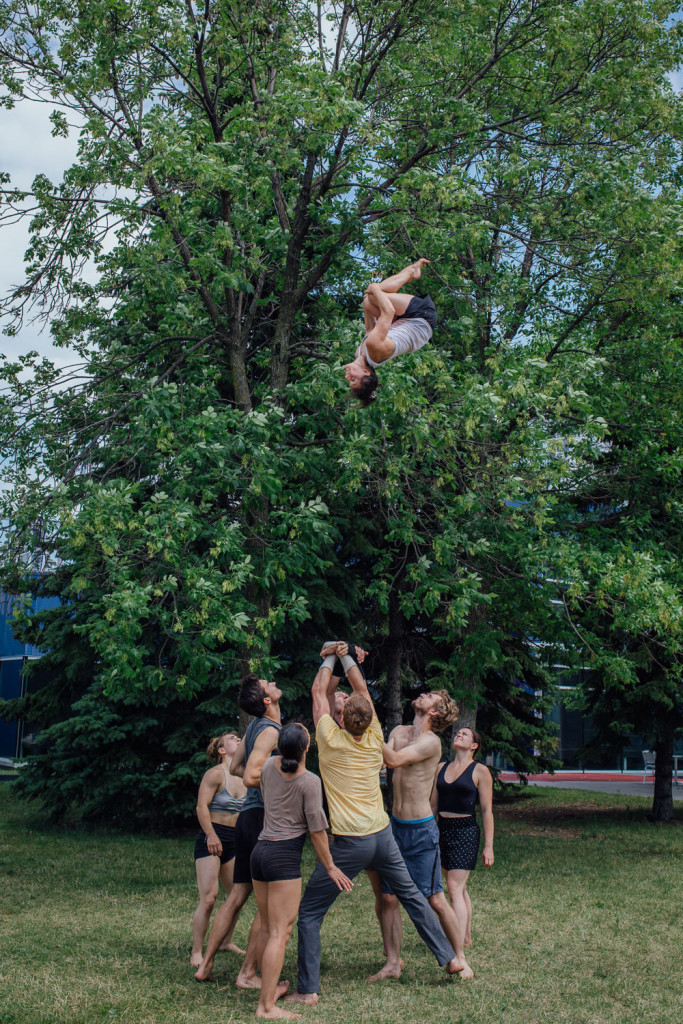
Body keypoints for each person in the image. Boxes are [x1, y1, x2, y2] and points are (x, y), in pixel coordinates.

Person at [285, 642, 461, 1007]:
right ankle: (450, 959)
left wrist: (329, 655)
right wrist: (347, 657)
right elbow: (362, 691)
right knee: (412, 896)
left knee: (310, 914)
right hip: (384, 836)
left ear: (343, 720)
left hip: (351, 842)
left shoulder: (330, 739)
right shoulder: (378, 736)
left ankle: (308, 990)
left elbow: (319, 691)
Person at [251, 722, 353, 1020]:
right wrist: (331, 866)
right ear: (308, 748)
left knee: (270, 929)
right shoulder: (309, 781)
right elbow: (318, 832)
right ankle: (266, 1007)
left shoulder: (269, 766)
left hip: (260, 853)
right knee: (279, 934)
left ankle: (268, 992)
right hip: (282, 858)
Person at [375, 692, 474, 979]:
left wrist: (367, 727)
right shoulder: (398, 731)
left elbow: (391, 759)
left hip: (421, 830)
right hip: (394, 826)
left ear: (434, 712)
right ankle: (393, 963)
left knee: (435, 898)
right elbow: (384, 765)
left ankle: (460, 956)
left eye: (429, 696)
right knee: (390, 898)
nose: (421, 694)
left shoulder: (430, 742)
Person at [195, 673, 283, 985]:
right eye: (267, 684)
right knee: (268, 903)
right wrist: (287, 778)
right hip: (261, 819)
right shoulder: (271, 730)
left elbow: (234, 767)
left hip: (246, 818)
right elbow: (249, 776)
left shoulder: (252, 729)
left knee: (236, 896)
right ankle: (247, 974)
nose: (273, 682)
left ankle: (205, 965)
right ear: (267, 700)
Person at [431, 727, 494, 961]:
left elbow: (487, 810)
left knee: (454, 888)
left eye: (465, 734)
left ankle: (454, 944)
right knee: (459, 887)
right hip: (441, 831)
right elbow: (433, 807)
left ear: (474, 746)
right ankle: (465, 936)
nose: (459, 734)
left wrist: (488, 846)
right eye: (457, 732)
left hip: (466, 830)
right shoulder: (441, 768)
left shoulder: (480, 770)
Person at [344, 259, 437, 406]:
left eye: (349, 381)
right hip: (422, 319)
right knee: (374, 294)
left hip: (403, 322)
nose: (347, 377)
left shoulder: (360, 353)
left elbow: (370, 330)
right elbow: (388, 312)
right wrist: (374, 288)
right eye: (353, 379)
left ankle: (411, 271)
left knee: (369, 301)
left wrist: (366, 306)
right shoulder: (374, 348)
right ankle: (411, 271)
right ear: (366, 372)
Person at [191, 732, 247, 966]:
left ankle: (226, 941)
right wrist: (211, 836)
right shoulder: (215, 774)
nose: (238, 740)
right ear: (222, 750)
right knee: (210, 898)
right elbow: (201, 806)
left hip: (235, 839)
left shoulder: (245, 775)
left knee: (237, 896)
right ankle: (196, 952)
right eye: (232, 738)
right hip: (212, 836)